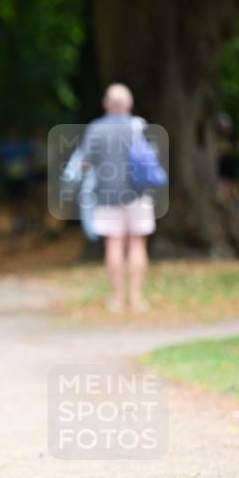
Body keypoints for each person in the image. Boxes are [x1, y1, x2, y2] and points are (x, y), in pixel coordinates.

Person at [80, 83, 157, 313]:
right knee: (137, 242)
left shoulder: (96, 129)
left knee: (113, 243)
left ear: (106, 104)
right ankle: (135, 299)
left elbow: (85, 163)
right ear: (129, 104)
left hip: (107, 195)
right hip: (139, 194)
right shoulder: (139, 127)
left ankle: (117, 298)